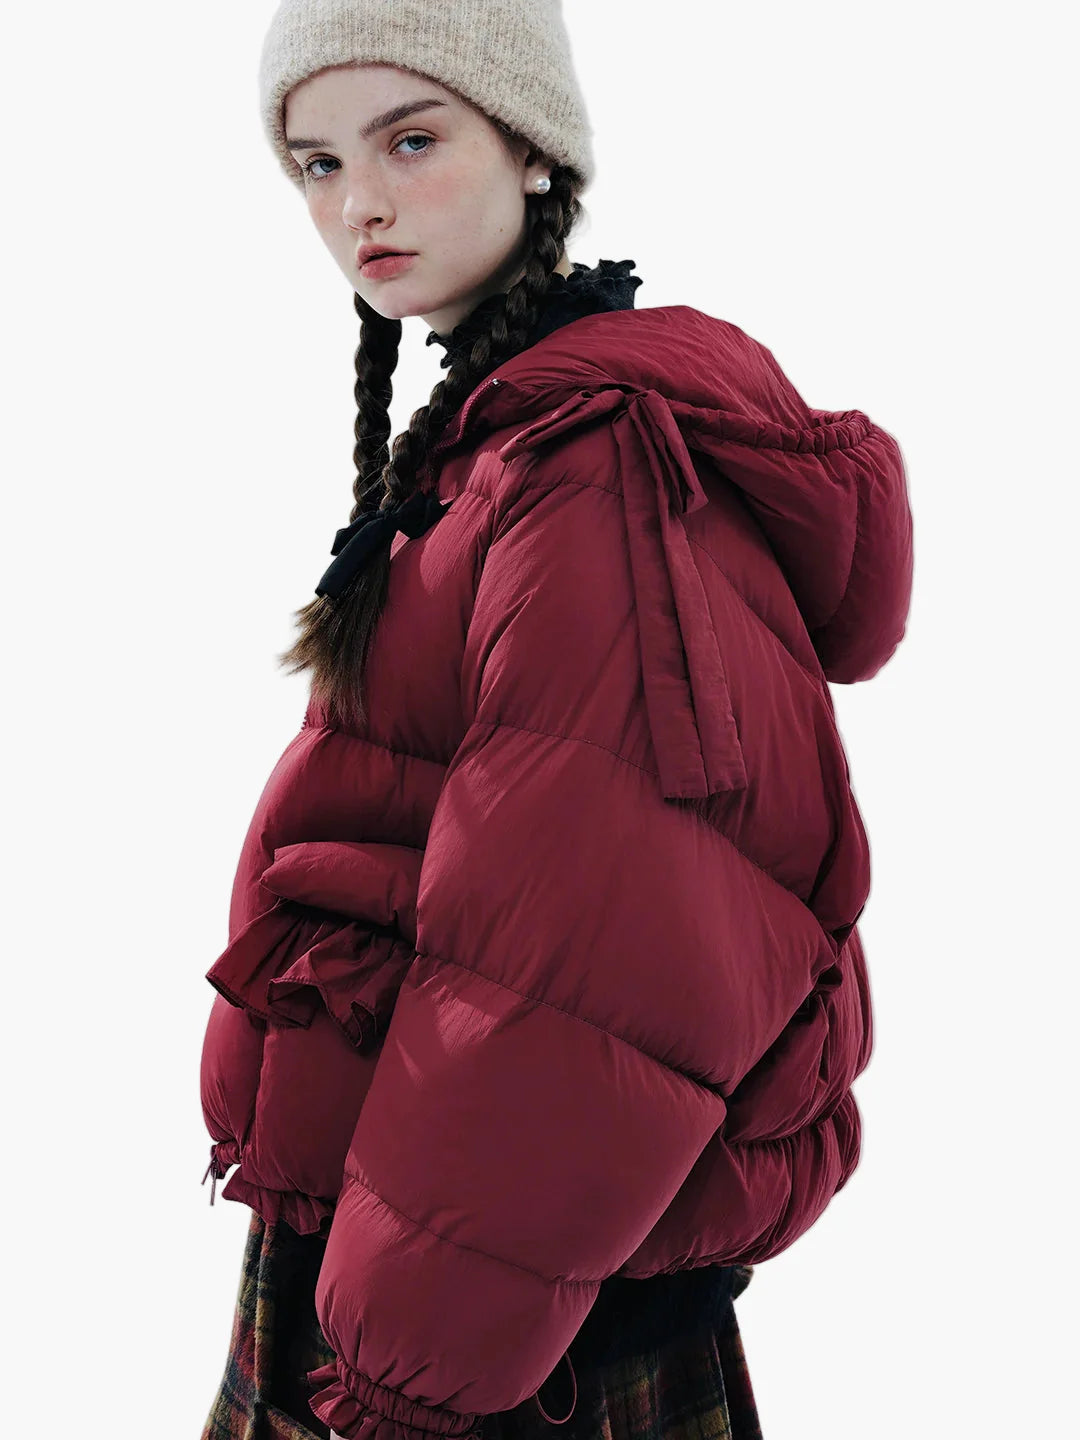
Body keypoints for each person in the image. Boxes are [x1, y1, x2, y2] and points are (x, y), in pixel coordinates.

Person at [198, 3, 915, 1438]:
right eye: (318, 163)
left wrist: (408, 1369)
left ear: (533, 149)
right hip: (442, 1239)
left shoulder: (585, 472)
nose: (360, 204)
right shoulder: (504, 435)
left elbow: (588, 961)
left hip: (495, 1305)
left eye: (411, 140)